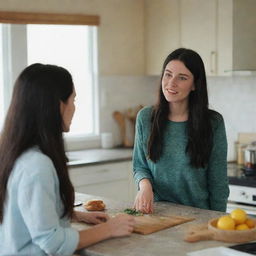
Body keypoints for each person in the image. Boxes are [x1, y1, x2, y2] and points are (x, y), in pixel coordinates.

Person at [0, 63, 135, 256]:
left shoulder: (13, 152)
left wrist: (72, 214)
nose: (74, 108)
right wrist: (109, 228)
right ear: (57, 105)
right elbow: (52, 243)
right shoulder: (37, 165)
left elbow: (24, 211)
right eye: (73, 99)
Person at [133, 48, 229, 214]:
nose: (171, 83)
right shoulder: (145, 118)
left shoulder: (213, 123)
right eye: (168, 74)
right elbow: (140, 166)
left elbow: (218, 182)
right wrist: (145, 185)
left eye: (182, 78)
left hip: (198, 218)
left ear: (195, 85)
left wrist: (217, 222)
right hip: (157, 216)